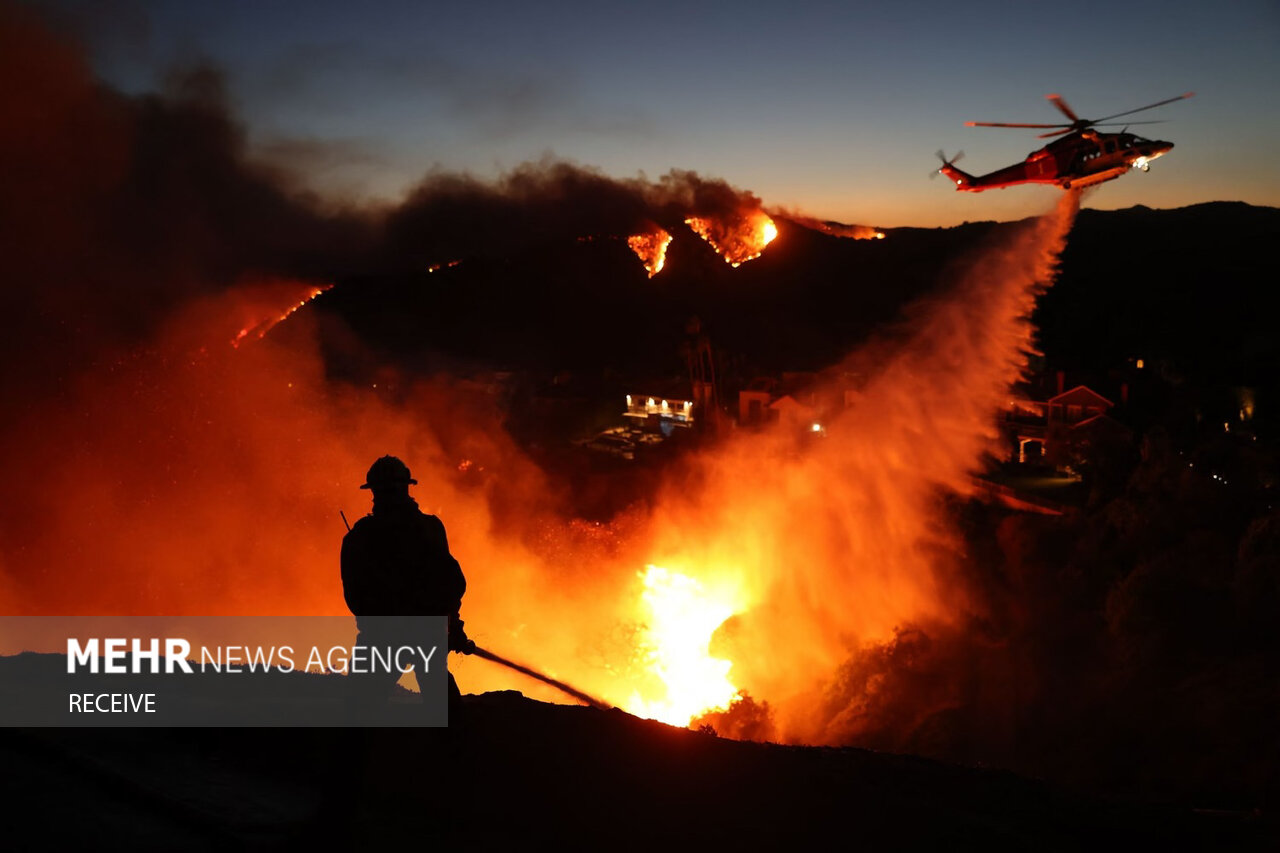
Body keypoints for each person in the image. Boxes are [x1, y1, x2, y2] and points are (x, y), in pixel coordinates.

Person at [340, 455, 474, 719]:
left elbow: (356, 599)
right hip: (422, 637)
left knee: (359, 716)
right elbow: (451, 584)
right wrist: (448, 625)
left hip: (382, 641)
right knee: (448, 718)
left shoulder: (361, 536)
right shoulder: (429, 528)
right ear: (406, 487)